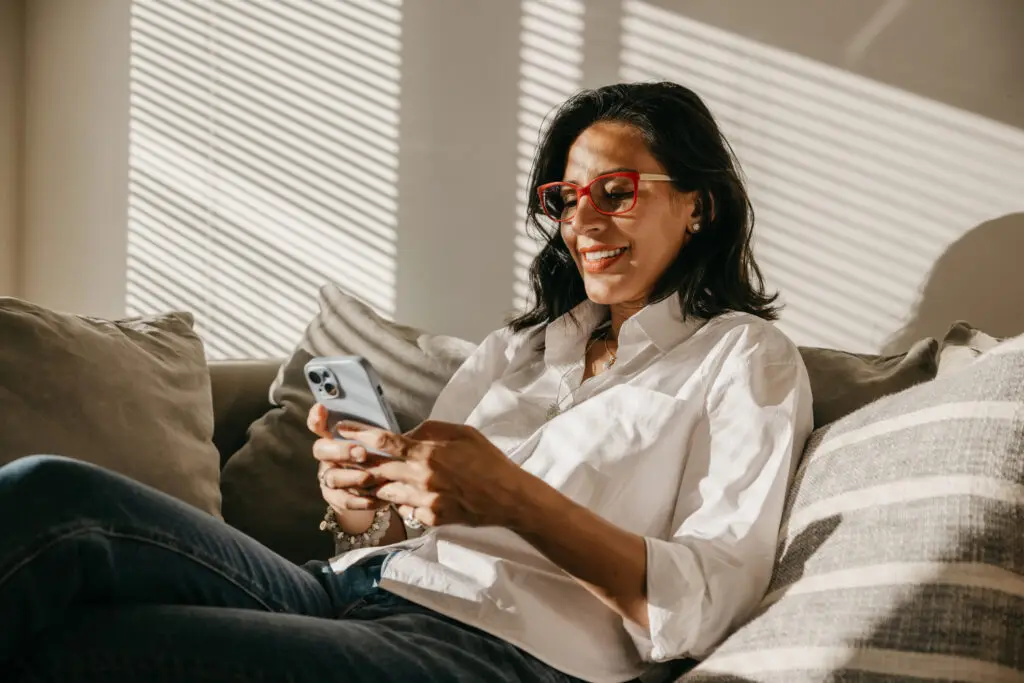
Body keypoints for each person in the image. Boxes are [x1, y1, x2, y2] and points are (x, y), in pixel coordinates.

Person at [0, 81, 812, 683]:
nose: (585, 223)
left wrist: (510, 496)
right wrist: (360, 497)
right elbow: (390, 530)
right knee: (49, 495)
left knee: (83, 647)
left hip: (501, 649)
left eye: (617, 192)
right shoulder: (518, 348)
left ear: (698, 207)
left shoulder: (742, 357)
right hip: (352, 588)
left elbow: (712, 600)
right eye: (566, 199)